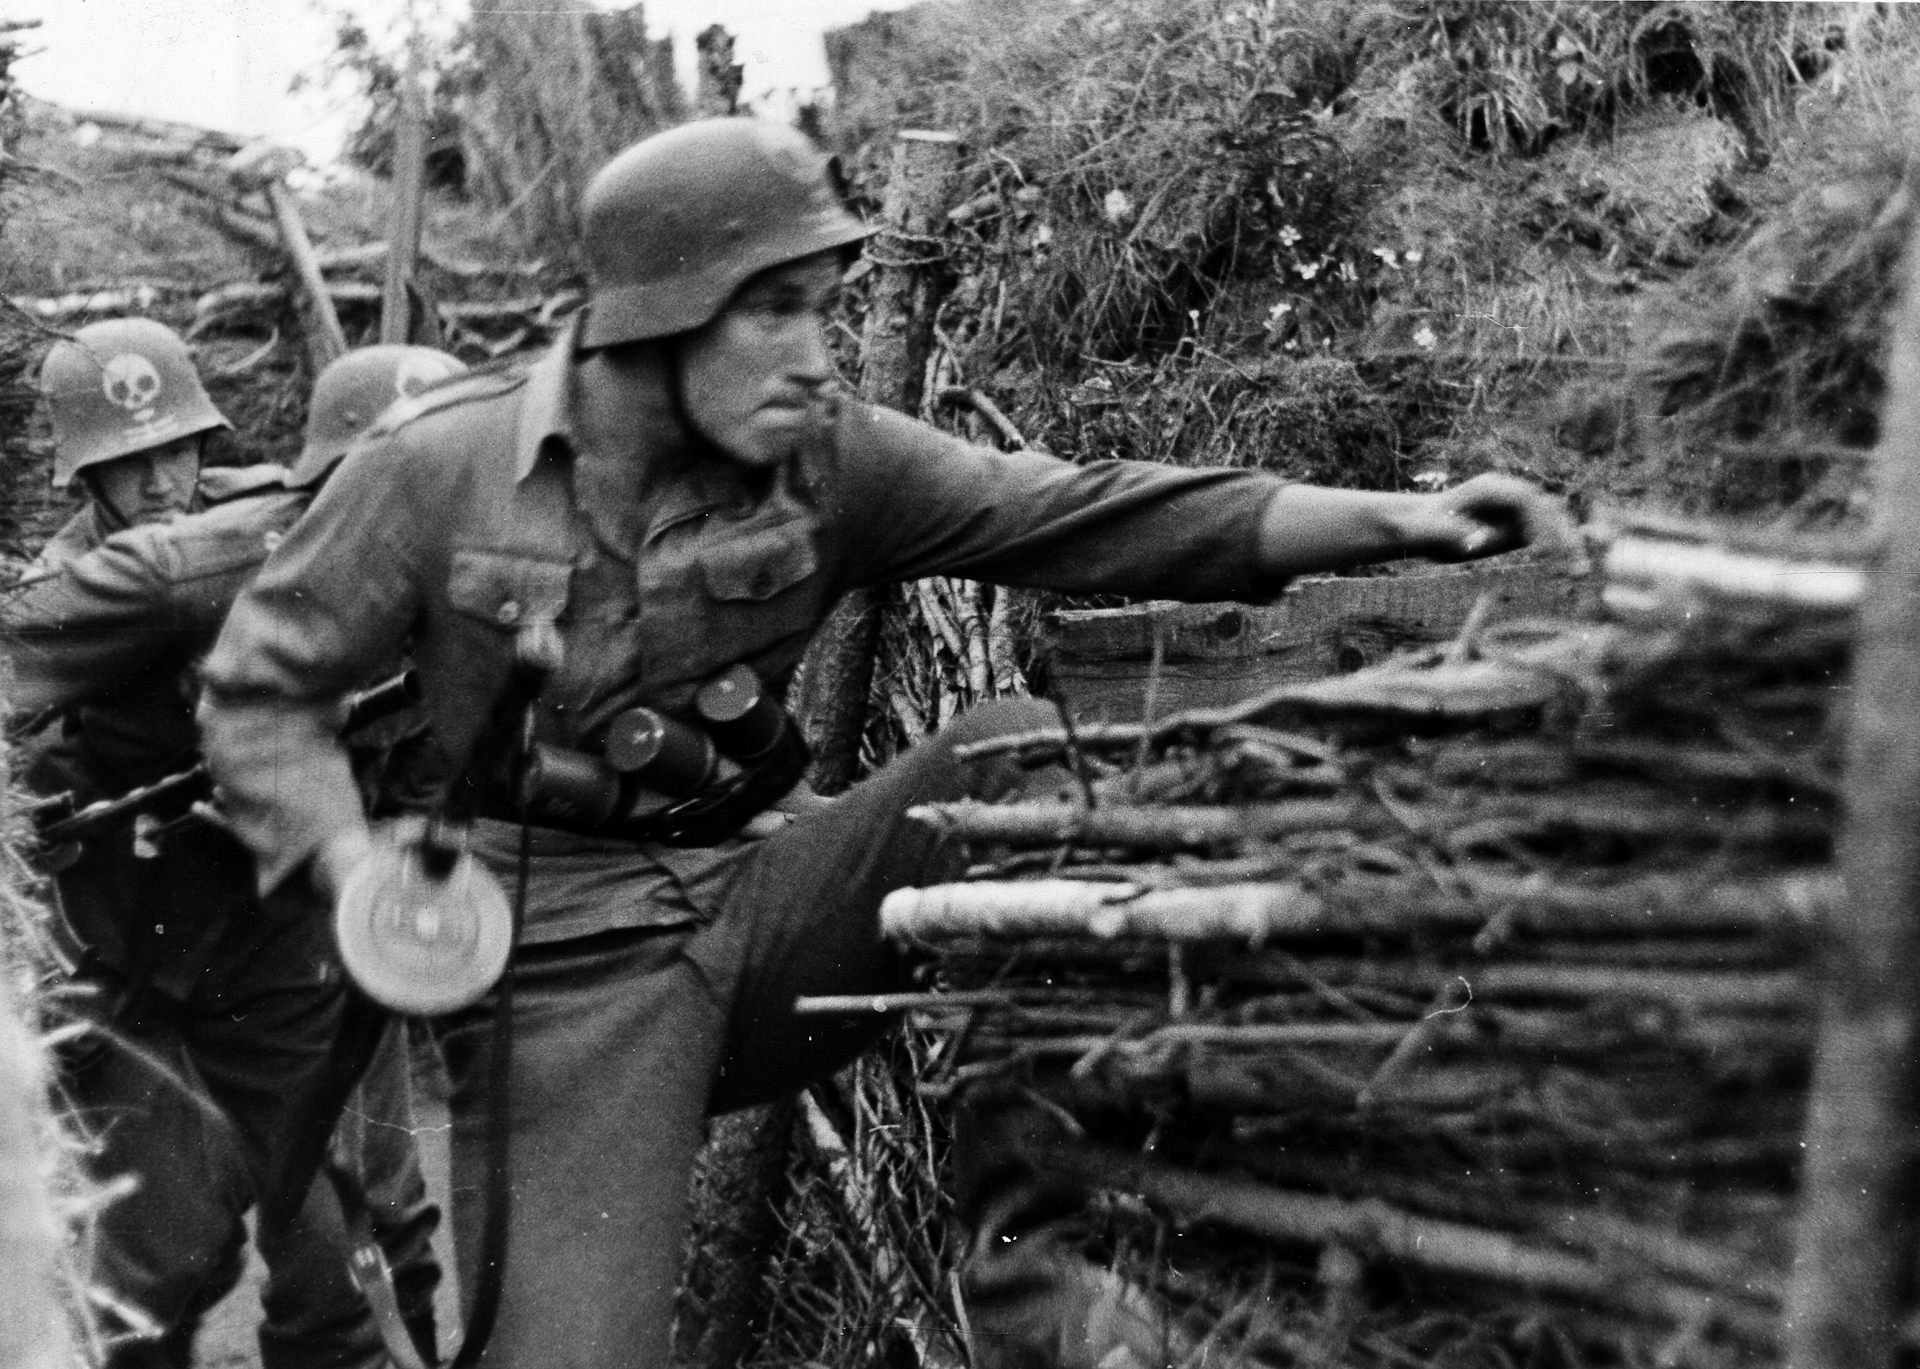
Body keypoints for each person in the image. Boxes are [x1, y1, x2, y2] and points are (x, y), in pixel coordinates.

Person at [196, 117, 1574, 1369]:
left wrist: (1402, 520)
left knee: (1011, 760)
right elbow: (263, 692)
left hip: (767, 900)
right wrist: (344, 866)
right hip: (561, 979)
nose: (816, 356)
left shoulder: (832, 459)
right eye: (777, 312)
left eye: (828, 311)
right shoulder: (441, 465)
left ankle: (1028, 1280)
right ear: (655, 321)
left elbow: (1084, 513)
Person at [5, 344, 468, 1369]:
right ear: (80, 471)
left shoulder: (315, 538)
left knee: (358, 1237)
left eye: (175, 448)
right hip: (131, 968)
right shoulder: (84, 591)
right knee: (148, 1264)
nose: (157, 480)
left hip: (293, 948)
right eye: (127, 462)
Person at [30, 316, 280, 573]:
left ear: (200, 445)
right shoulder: (64, 577)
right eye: (127, 463)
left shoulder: (264, 499)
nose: (160, 487)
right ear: (87, 474)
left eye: (175, 453)